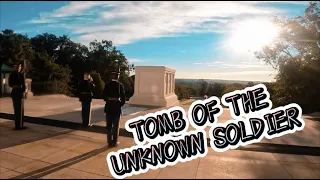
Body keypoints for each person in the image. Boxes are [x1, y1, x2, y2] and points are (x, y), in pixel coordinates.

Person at [102, 69, 126, 148]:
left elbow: (103, 96)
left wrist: (108, 101)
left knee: (109, 125)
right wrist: (119, 104)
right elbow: (123, 98)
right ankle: (114, 142)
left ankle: (109, 141)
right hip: (116, 107)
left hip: (109, 106)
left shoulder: (107, 84)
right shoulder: (120, 85)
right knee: (115, 126)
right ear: (117, 77)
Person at [8, 64, 27, 130]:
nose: (19, 68)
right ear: (14, 67)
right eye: (17, 66)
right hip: (15, 93)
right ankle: (17, 126)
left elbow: (23, 84)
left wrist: (24, 90)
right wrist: (15, 86)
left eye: (20, 66)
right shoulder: (12, 74)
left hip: (20, 93)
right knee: (17, 109)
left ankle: (21, 125)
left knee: (21, 109)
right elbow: (10, 84)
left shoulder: (21, 74)